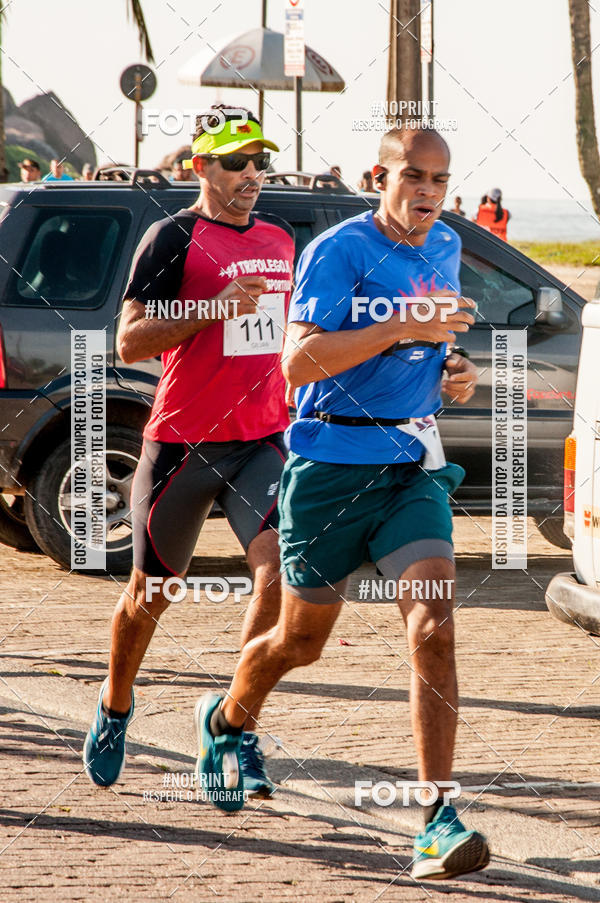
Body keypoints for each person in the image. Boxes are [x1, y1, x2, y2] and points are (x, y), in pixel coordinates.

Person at [196, 125, 490, 881]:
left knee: (434, 621)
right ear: (379, 176)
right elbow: (298, 362)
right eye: (414, 177)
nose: (428, 193)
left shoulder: (446, 248)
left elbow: (431, 349)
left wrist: (454, 368)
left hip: (410, 467)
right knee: (300, 643)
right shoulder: (339, 250)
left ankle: (436, 816)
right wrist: (400, 325)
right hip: (328, 469)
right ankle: (228, 718)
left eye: (440, 180)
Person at [82, 105, 295, 800]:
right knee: (152, 593)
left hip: (262, 439)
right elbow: (129, 342)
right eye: (234, 161)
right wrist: (216, 306)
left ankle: (235, 727)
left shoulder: (281, 238)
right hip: (182, 442)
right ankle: (116, 705)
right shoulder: (171, 237)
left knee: (278, 580)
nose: (250, 175)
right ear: (199, 166)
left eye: (259, 161)